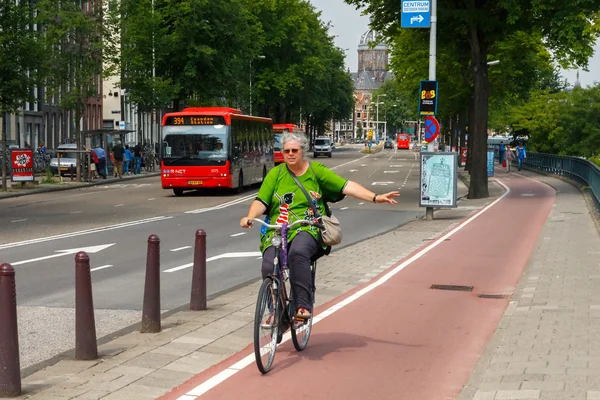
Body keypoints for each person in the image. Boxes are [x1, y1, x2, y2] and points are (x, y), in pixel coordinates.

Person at [239, 131, 399, 321]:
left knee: (297, 253)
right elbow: (261, 201)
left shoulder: (316, 171)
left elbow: (346, 186)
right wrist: (249, 216)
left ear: (302, 151)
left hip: (308, 227)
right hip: (279, 228)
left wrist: (375, 197)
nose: (290, 154)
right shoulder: (276, 174)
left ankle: (302, 306)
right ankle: (276, 310)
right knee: (268, 265)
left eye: (294, 150)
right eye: (286, 150)